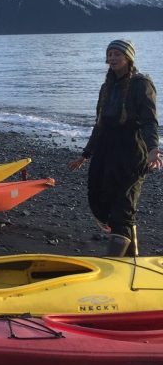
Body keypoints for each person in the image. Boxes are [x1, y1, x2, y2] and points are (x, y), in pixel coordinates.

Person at [68, 39, 161, 256]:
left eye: (117, 54)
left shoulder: (141, 84)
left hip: (130, 152)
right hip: (105, 151)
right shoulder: (106, 87)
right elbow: (99, 124)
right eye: (109, 54)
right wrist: (86, 154)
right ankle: (130, 252)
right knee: (98, 199)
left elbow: (149, 121)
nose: (112, 58)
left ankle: (119, 262)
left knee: (123, 209)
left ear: (128, 58)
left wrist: (153, 149)